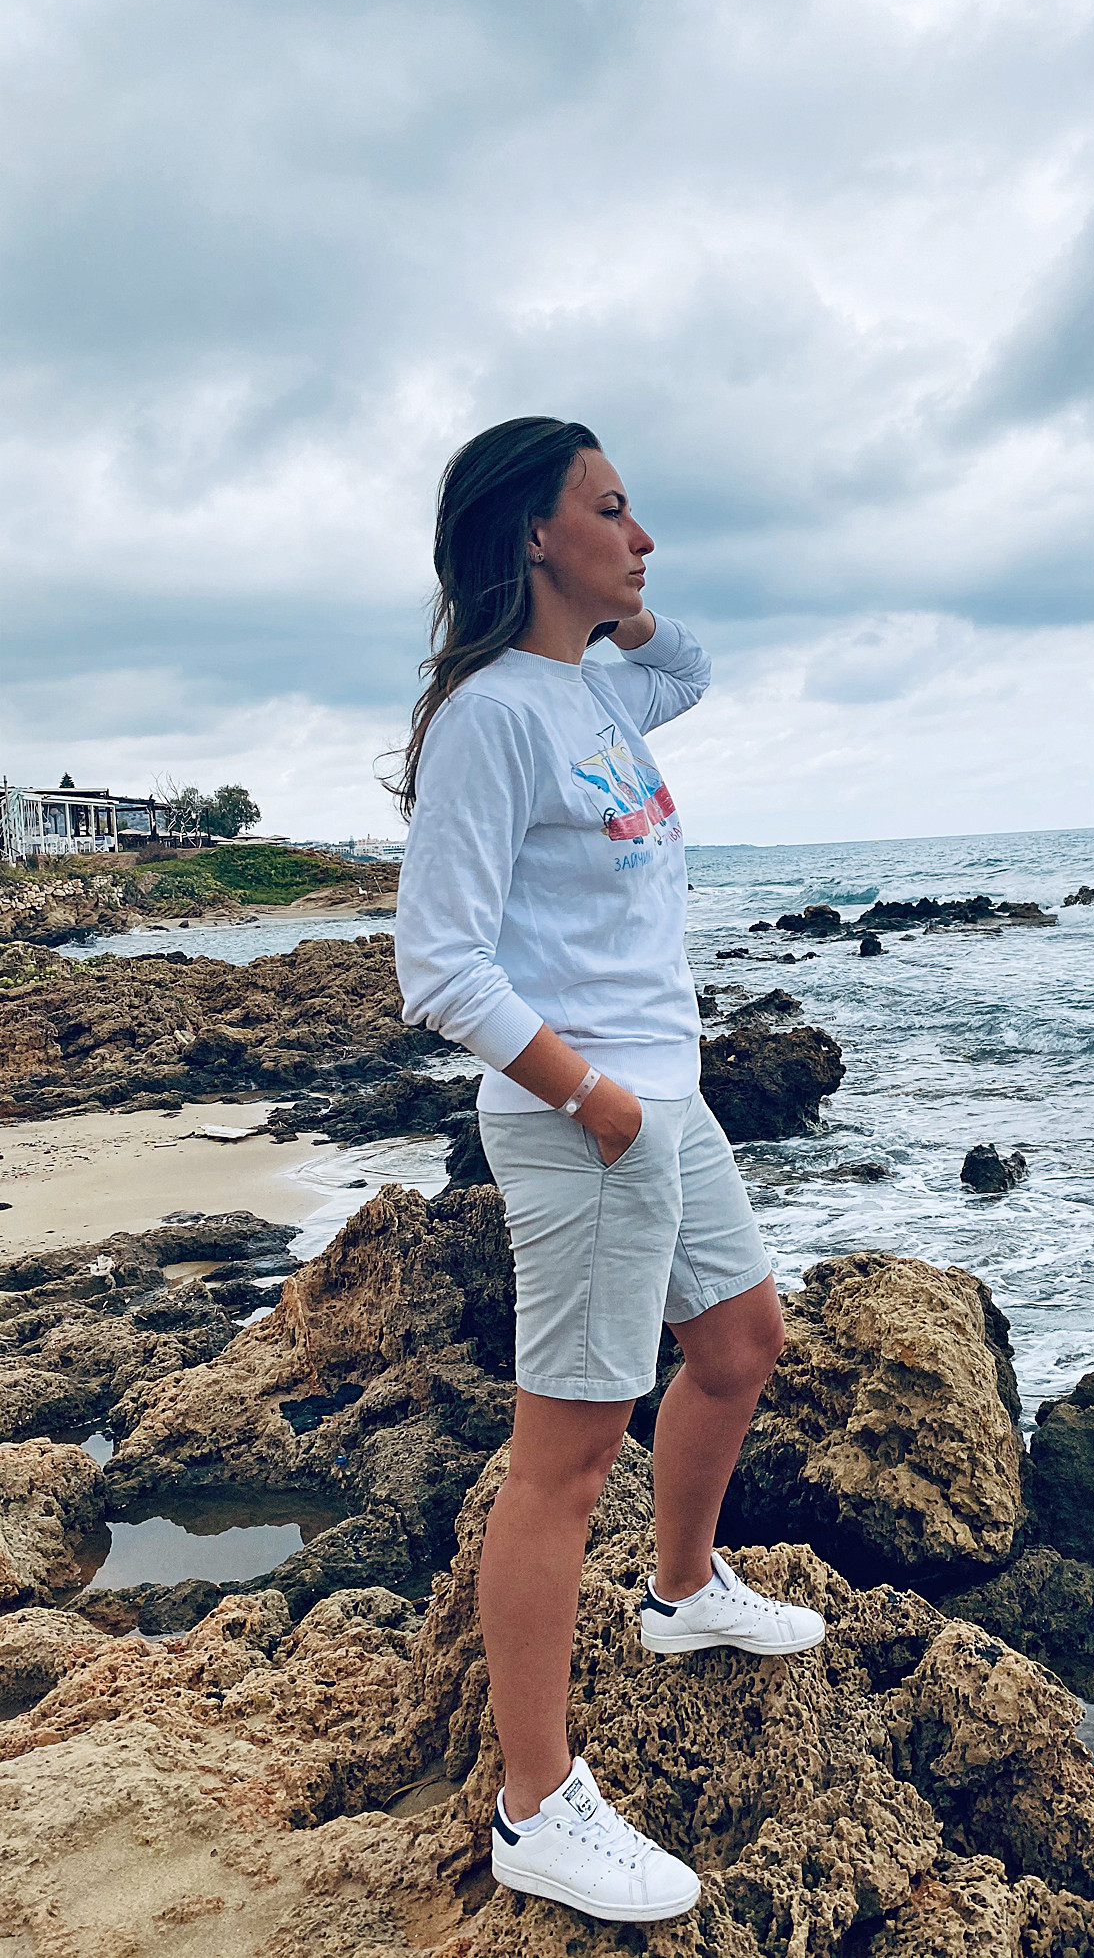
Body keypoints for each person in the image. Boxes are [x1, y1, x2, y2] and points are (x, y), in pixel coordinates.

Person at [393, 417, 823, 1925]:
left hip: (665, 1100)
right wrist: (595, 1100)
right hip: (590, 1121)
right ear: (533, 533)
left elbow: (688, 664)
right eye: (613, 511)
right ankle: (535, 1805)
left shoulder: (591, 690)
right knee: (565, 1461)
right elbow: (439, 966)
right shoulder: (491, 720)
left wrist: (616, 607)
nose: (644, 540)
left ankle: (682, 1590)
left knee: (741, 1342)